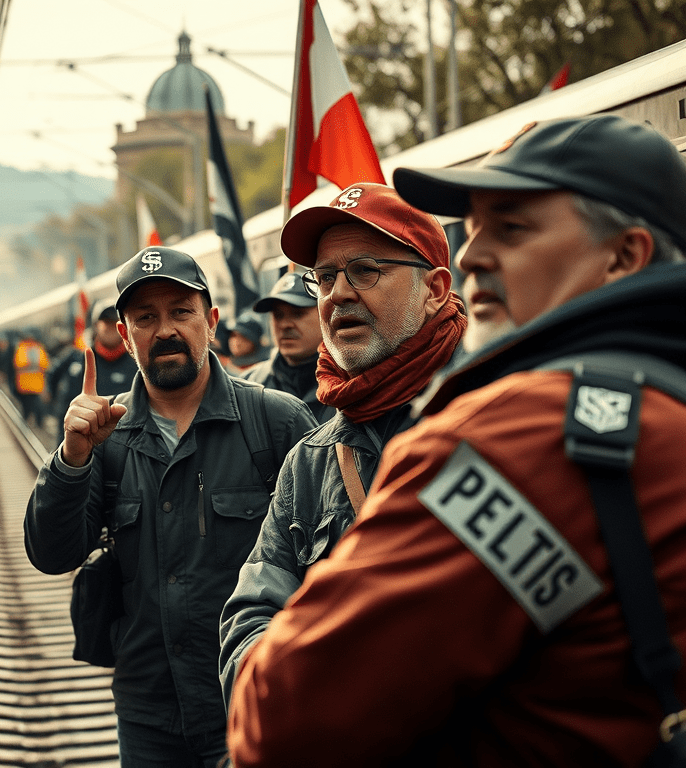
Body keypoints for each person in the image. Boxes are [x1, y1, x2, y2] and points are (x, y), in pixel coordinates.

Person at [227, 114, 686, 766]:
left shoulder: (505, 434)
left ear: (624, 257)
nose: (470, 254)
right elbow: (252, 610)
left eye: (511, 228)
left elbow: (279, 719)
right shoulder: (660, 401)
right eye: (323, 278)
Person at [24, 246, 317, 767]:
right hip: (149, 715)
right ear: (124, 334)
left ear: (211, 321)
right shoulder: (104, 436)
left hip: (255, 702)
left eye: (181, 312)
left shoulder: (275, 422)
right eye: (145, 318)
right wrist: (71, 458)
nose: (165, 330)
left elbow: (330, 563)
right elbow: (51, 554)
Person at [218, 181, 466, 709]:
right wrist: (303, 694)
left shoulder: (498, 415)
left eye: (366, 270)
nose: (338, 294)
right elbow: (250, 619)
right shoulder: (312, 461)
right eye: (326, 277)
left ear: (435, 289)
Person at [239, 271, 334, 423]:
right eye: (278, 315)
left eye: (297, 314)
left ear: (325, 314)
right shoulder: (248, 385)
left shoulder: (349, 384)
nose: (284, 325)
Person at [50, 301, 139, 446]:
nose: (110, 328)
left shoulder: (136, 363)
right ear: (96, 325)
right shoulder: (78, 358)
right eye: (105, 322)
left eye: (114, 323)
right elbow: (52, 376)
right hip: (78, 441)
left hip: (124, 445)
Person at [12, 330, 50, 427]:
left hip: (29, 384)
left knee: (30, 404)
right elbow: (45, 364)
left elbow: (19, 364)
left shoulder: (22, 348)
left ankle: (29, 421)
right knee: (31, 404)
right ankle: (34, 422)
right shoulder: (38, 348)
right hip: (32, 384)